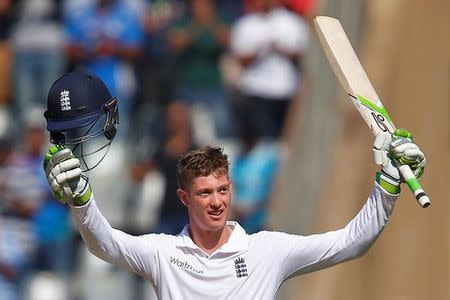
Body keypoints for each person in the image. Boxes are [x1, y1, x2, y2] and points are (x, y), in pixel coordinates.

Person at [42, 70, 426, 299]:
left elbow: (351, 242)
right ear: (184, 198)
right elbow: (104, 244)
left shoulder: (267, 250)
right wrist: (82, 200)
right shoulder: (162, 252)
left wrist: (388, 183)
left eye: (222, 190)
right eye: (205, 193)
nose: (216, 202)